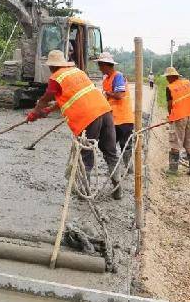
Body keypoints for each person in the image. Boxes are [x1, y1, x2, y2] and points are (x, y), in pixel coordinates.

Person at [28, 50, 123, 200]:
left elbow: (45, 99)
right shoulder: (77, 72)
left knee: (86, 153)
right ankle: (117, 187)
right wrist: (47, 111)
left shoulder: (56, 78)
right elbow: (69, 98)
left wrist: (34, 113)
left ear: (52, 66)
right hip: (105, 111)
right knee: (110, 151)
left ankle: (84, 192)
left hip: (88, 117)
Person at [95, 52, 135, 174]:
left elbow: (119, 95)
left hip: (123, 118)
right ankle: (114, 168)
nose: (99, 68)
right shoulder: (106, 79)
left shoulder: (118, 76)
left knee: (125, 145)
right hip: (112, 118)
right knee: (108, 145)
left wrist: (107, 93)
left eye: (100, 65)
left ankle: (129, 169)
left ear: (106, 65)